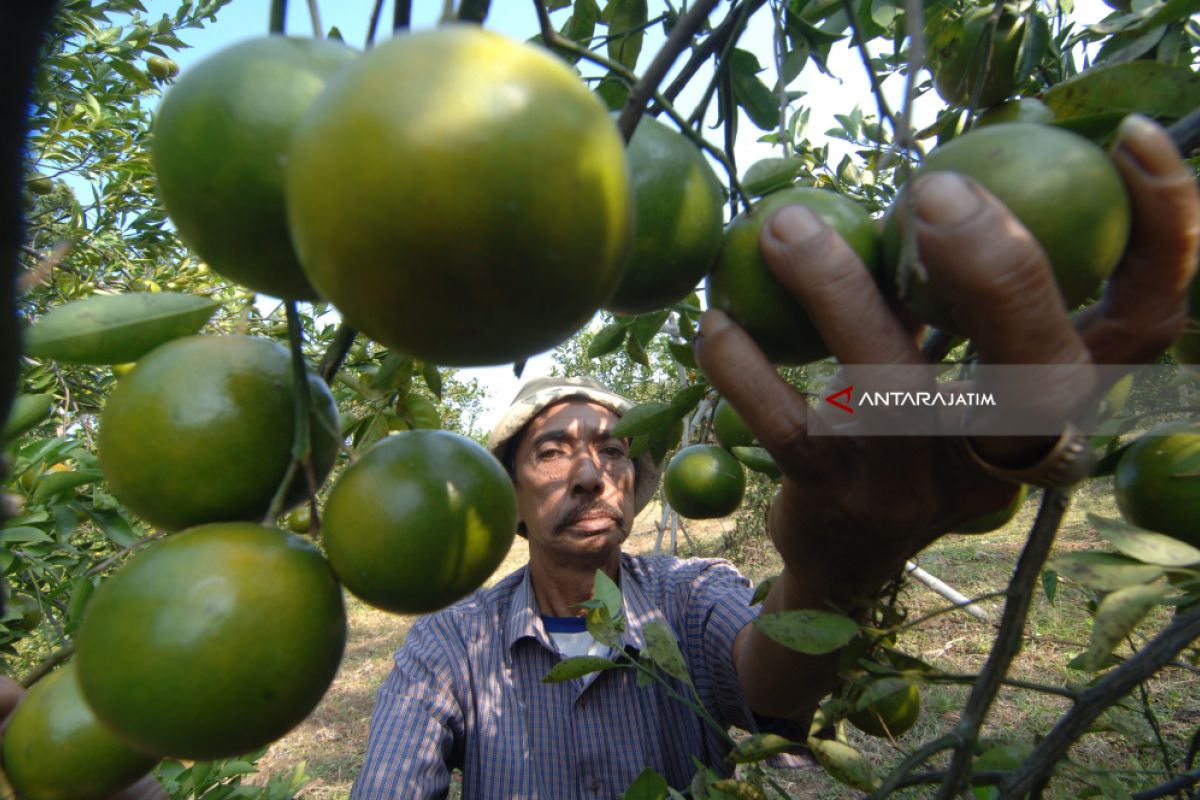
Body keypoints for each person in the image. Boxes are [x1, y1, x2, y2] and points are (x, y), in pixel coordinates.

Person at [0, 115, 1194, 800]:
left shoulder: (691, 596)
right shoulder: (449, 648)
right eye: (554, 448)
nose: (589, 469)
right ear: (504, 491)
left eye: (613, 448)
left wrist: (843, 554)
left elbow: (777, 682)